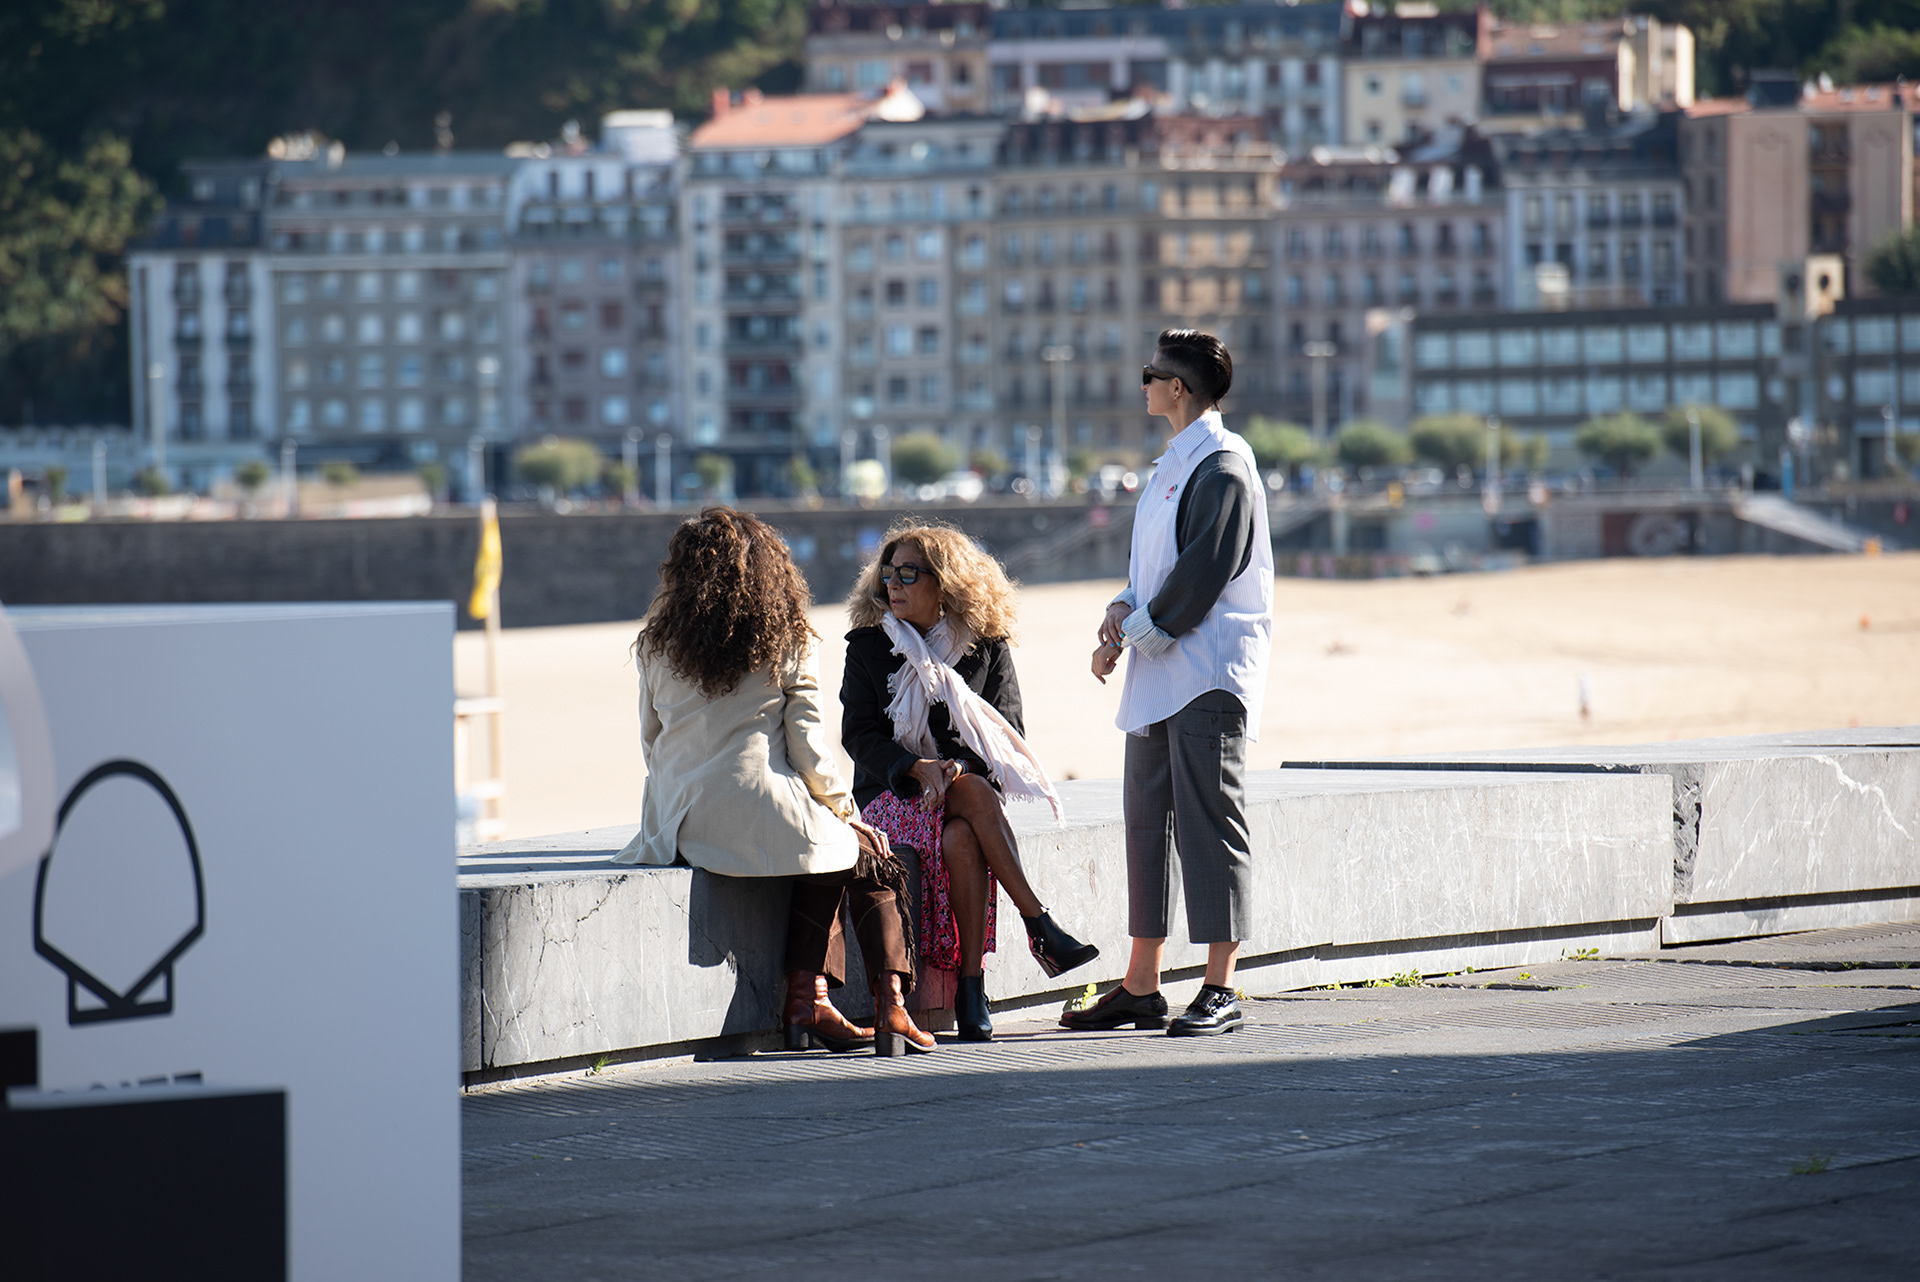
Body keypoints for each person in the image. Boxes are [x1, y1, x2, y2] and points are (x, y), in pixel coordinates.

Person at [614, 508, 935, 1056]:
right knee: (864, 852)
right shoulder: (787, 640)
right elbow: (808, 747)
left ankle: (812, 1001)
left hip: (676, 820)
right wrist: (847, 812)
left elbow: (650, 740)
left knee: (829, 848)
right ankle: (883, 1005)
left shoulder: (655, 644)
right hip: (759, 805)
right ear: (768, 570)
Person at [1068, 328, 1273, 1037]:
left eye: (1149, 375)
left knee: (1211, 824)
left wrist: (1130, 634)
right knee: (1147, 824)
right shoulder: (1174, 466)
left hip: (1207, 675)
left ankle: (1221, 987)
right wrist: (1121, 609)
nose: (1144, 385)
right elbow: (1156, 572)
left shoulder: (1223, 466)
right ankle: (1142, 985)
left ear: (1177, 389)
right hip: (1161, 675)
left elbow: (1204, 573)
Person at [841, 522, 1099, 1043]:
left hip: (963, 795)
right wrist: (916, 767)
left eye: (909, 574)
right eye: (889, 573)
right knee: (972, 798)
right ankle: (1036, 928)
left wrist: (955, 767)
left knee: (962, 831)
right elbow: (859, 735)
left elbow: (1008, 732)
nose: (893, 584)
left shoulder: (986, 647)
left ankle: (972, 986)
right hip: (893, 797)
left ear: (945, 582)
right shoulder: (868, 646)